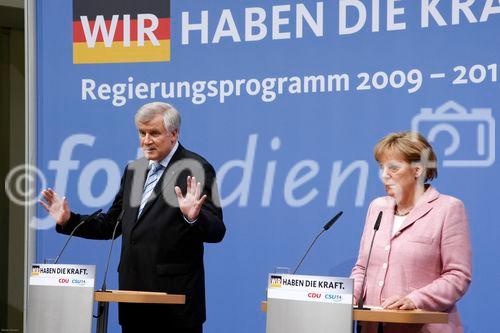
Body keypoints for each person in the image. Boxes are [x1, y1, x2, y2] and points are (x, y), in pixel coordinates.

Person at [39, 102, 226, 333]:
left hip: (174, 306)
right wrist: (70, 220)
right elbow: (111, 224)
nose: (146, 140)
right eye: (142, 133)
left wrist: (193, 218)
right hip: (132, 302)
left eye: (154, 133)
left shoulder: (196, 168)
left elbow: (217, 230)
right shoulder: (134, 171)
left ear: (174, 133)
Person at [351, 131, 471, 333]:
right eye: (381, 167)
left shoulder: (448, 208)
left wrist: (414, 299)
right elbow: (362, 268)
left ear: (418, 170)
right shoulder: (377, 207)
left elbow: (457, 275)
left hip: (422, 328)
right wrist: (348, 297)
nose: (384, 174)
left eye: (393, 168)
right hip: (372, 327)